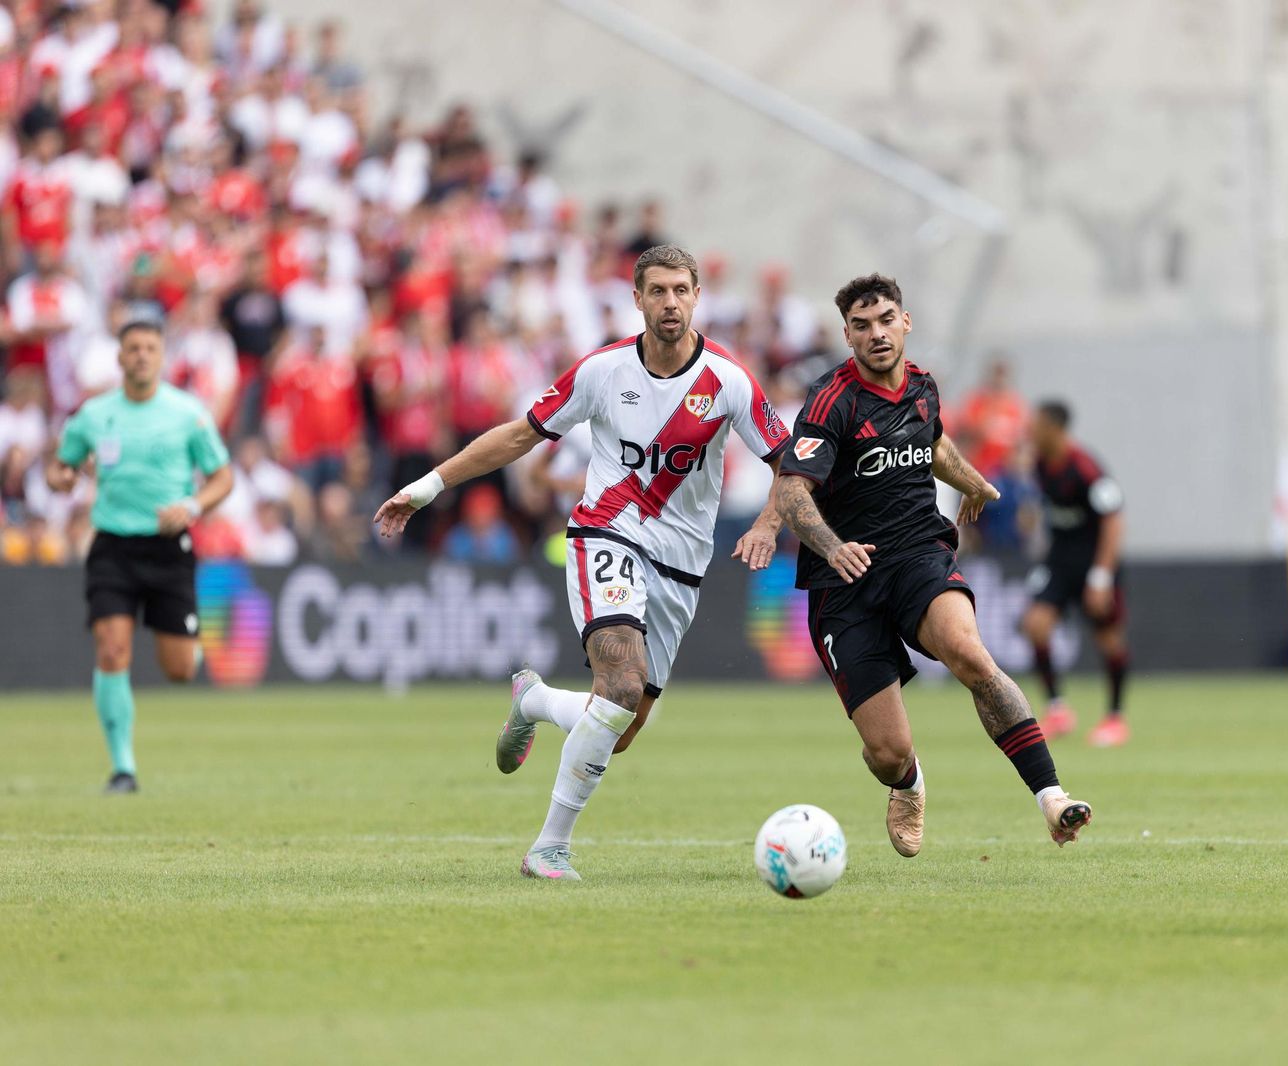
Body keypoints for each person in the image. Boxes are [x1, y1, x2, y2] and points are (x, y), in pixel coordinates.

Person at [372, 245, 792, 881]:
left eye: (681, 289)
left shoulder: (729, 382)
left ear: (697, 296)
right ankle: (549, 848)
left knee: (617, 726)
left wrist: (768, 522)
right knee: (621, 687)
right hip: (607, 534)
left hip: (682, 566)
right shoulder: (602, 371)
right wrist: (429, 486)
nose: (670, 302)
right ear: (637, 299)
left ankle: (535, 700)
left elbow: (789, 465)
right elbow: (520, 434)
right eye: (657, 290)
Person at [774, 273, 1093, 858]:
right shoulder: (830, 402)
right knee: (888, 752)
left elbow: (934, 442)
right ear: (847, 335)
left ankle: (1050, 794)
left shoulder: (923, 386)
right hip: (842, 580)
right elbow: (793, 490)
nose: (877, 334)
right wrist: (830, 544)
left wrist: (974, 481)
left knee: (970, 653)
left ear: (906, 322)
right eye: (862, 326)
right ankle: (908, 783)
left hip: (919, 553)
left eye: (886, 320)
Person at [45, 321, 234, 794]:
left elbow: (222, 477)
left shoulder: (188, 413)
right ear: (119, 358)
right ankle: (122, 768)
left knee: (180, 670)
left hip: (169, 548)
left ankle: (181, 642)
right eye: (133, 348)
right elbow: (61, 464)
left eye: (151, 348)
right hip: (112, 545)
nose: (142, 356)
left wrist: (191, 506)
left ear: (163, 356)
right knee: (111, 649)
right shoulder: (94, 415)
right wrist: (62, 478)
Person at [1019, 400, 1131, 746]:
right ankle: (1057, 710)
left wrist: (1101, 577)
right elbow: (1044, 504)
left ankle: (1115, 719)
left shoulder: (1085, 468)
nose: (1030, 431)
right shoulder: (1040, 463)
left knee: (1108, 639)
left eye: (1036, 425)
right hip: (1059, 561)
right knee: (1035, 624)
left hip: (1094, 564)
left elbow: (1114, 520)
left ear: (1054, 428)